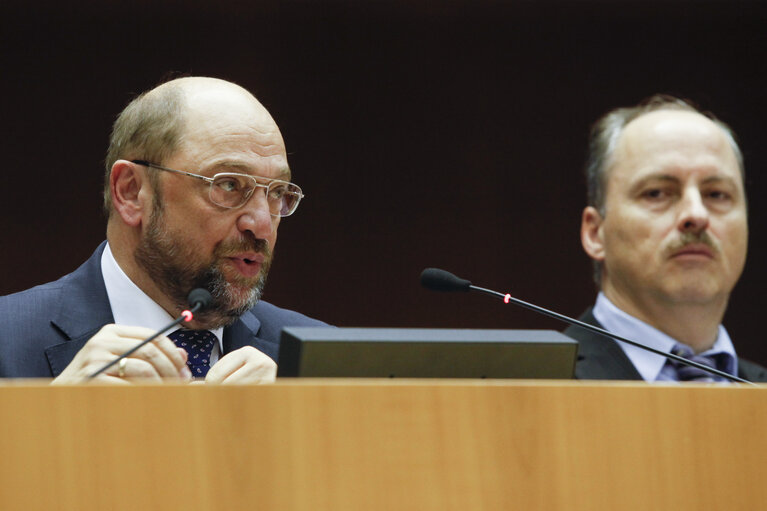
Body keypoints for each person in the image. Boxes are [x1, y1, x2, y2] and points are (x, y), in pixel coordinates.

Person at [0, 76, 326, 383]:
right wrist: (49, 419)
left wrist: (298, 424)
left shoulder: (317, 361)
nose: (261, 224)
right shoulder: (8, 340)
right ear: (130, 192)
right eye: (228, 184)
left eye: (277, 192)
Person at [565, 94, 767, 382]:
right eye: (657, 192)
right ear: (595, 233)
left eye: (716, 194)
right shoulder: (529, 387)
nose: (696, 215)